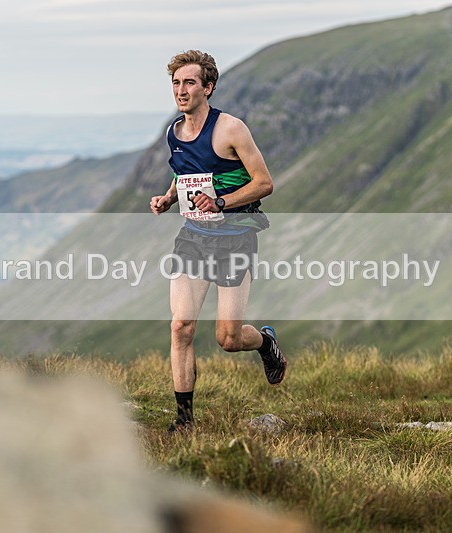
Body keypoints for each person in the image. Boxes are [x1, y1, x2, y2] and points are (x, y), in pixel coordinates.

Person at [149, 50, 286, 432]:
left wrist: (222, 201)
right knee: (181, 327)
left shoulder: (231, 129)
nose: (181, 90)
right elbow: (185, 174)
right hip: (193, 236)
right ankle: (185, 421)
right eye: (176, 83)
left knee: (227, 337)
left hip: (236, 237)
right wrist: (168, 197)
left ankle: (264, 342)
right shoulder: (174, 132)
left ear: (208, 87)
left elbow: (264, 183)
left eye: (189, 82)